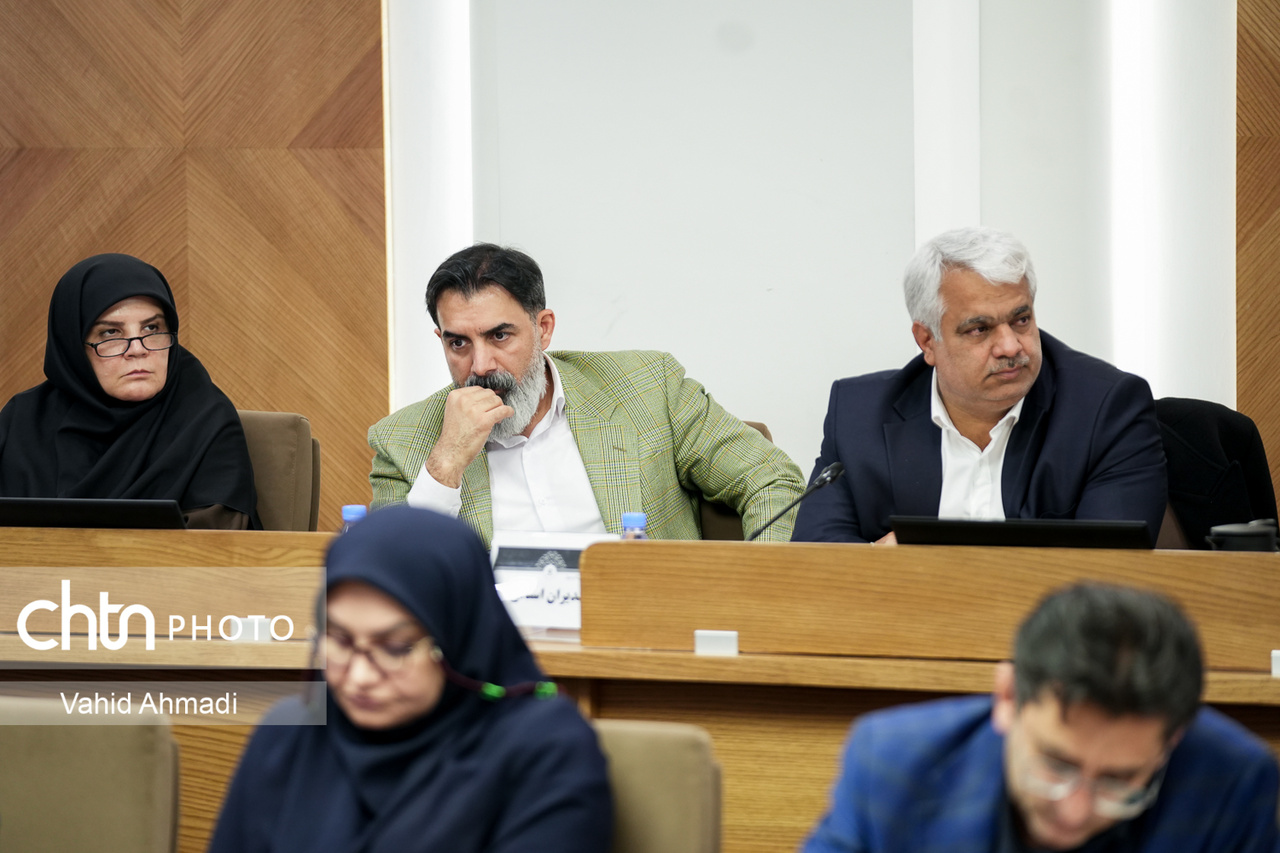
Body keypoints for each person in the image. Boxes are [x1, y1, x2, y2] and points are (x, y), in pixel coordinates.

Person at [209, 505, 613, 852]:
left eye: (395, 648)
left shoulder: (545, 750)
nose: (360, 677)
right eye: (339, 640)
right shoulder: (289, 736)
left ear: (456, 639)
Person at [368, 243, 805, 546]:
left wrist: (753, 595)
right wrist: (446, 463)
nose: (480, 366)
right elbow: (387, 575)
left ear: (543, 328)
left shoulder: (647, 388)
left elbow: (771, 478)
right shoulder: (402, 441)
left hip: (641, 632)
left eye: (500, 336)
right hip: (497, 646)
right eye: (458, 343)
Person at [803, 583, 1280, 852]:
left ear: (1172, 740)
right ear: (1008, 698)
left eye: (1119, 781)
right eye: (1055, 764)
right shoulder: (892, 766)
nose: (1075, 810)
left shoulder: (1233, 785)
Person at [792, 226, 1166, 544]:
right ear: (927, 341)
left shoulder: (1106, 409)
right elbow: (819, 566)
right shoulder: (858, 416)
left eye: (1021, 320)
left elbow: (1111, 575)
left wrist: (927, 564)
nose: (1010, 346)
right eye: (979, 329)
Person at [0, 253, 259, 529]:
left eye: (152, 328)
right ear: (73, 346)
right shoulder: (22, 421)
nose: (138, 349)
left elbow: (215, 543)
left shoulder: (206, 418)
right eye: (110, 333)